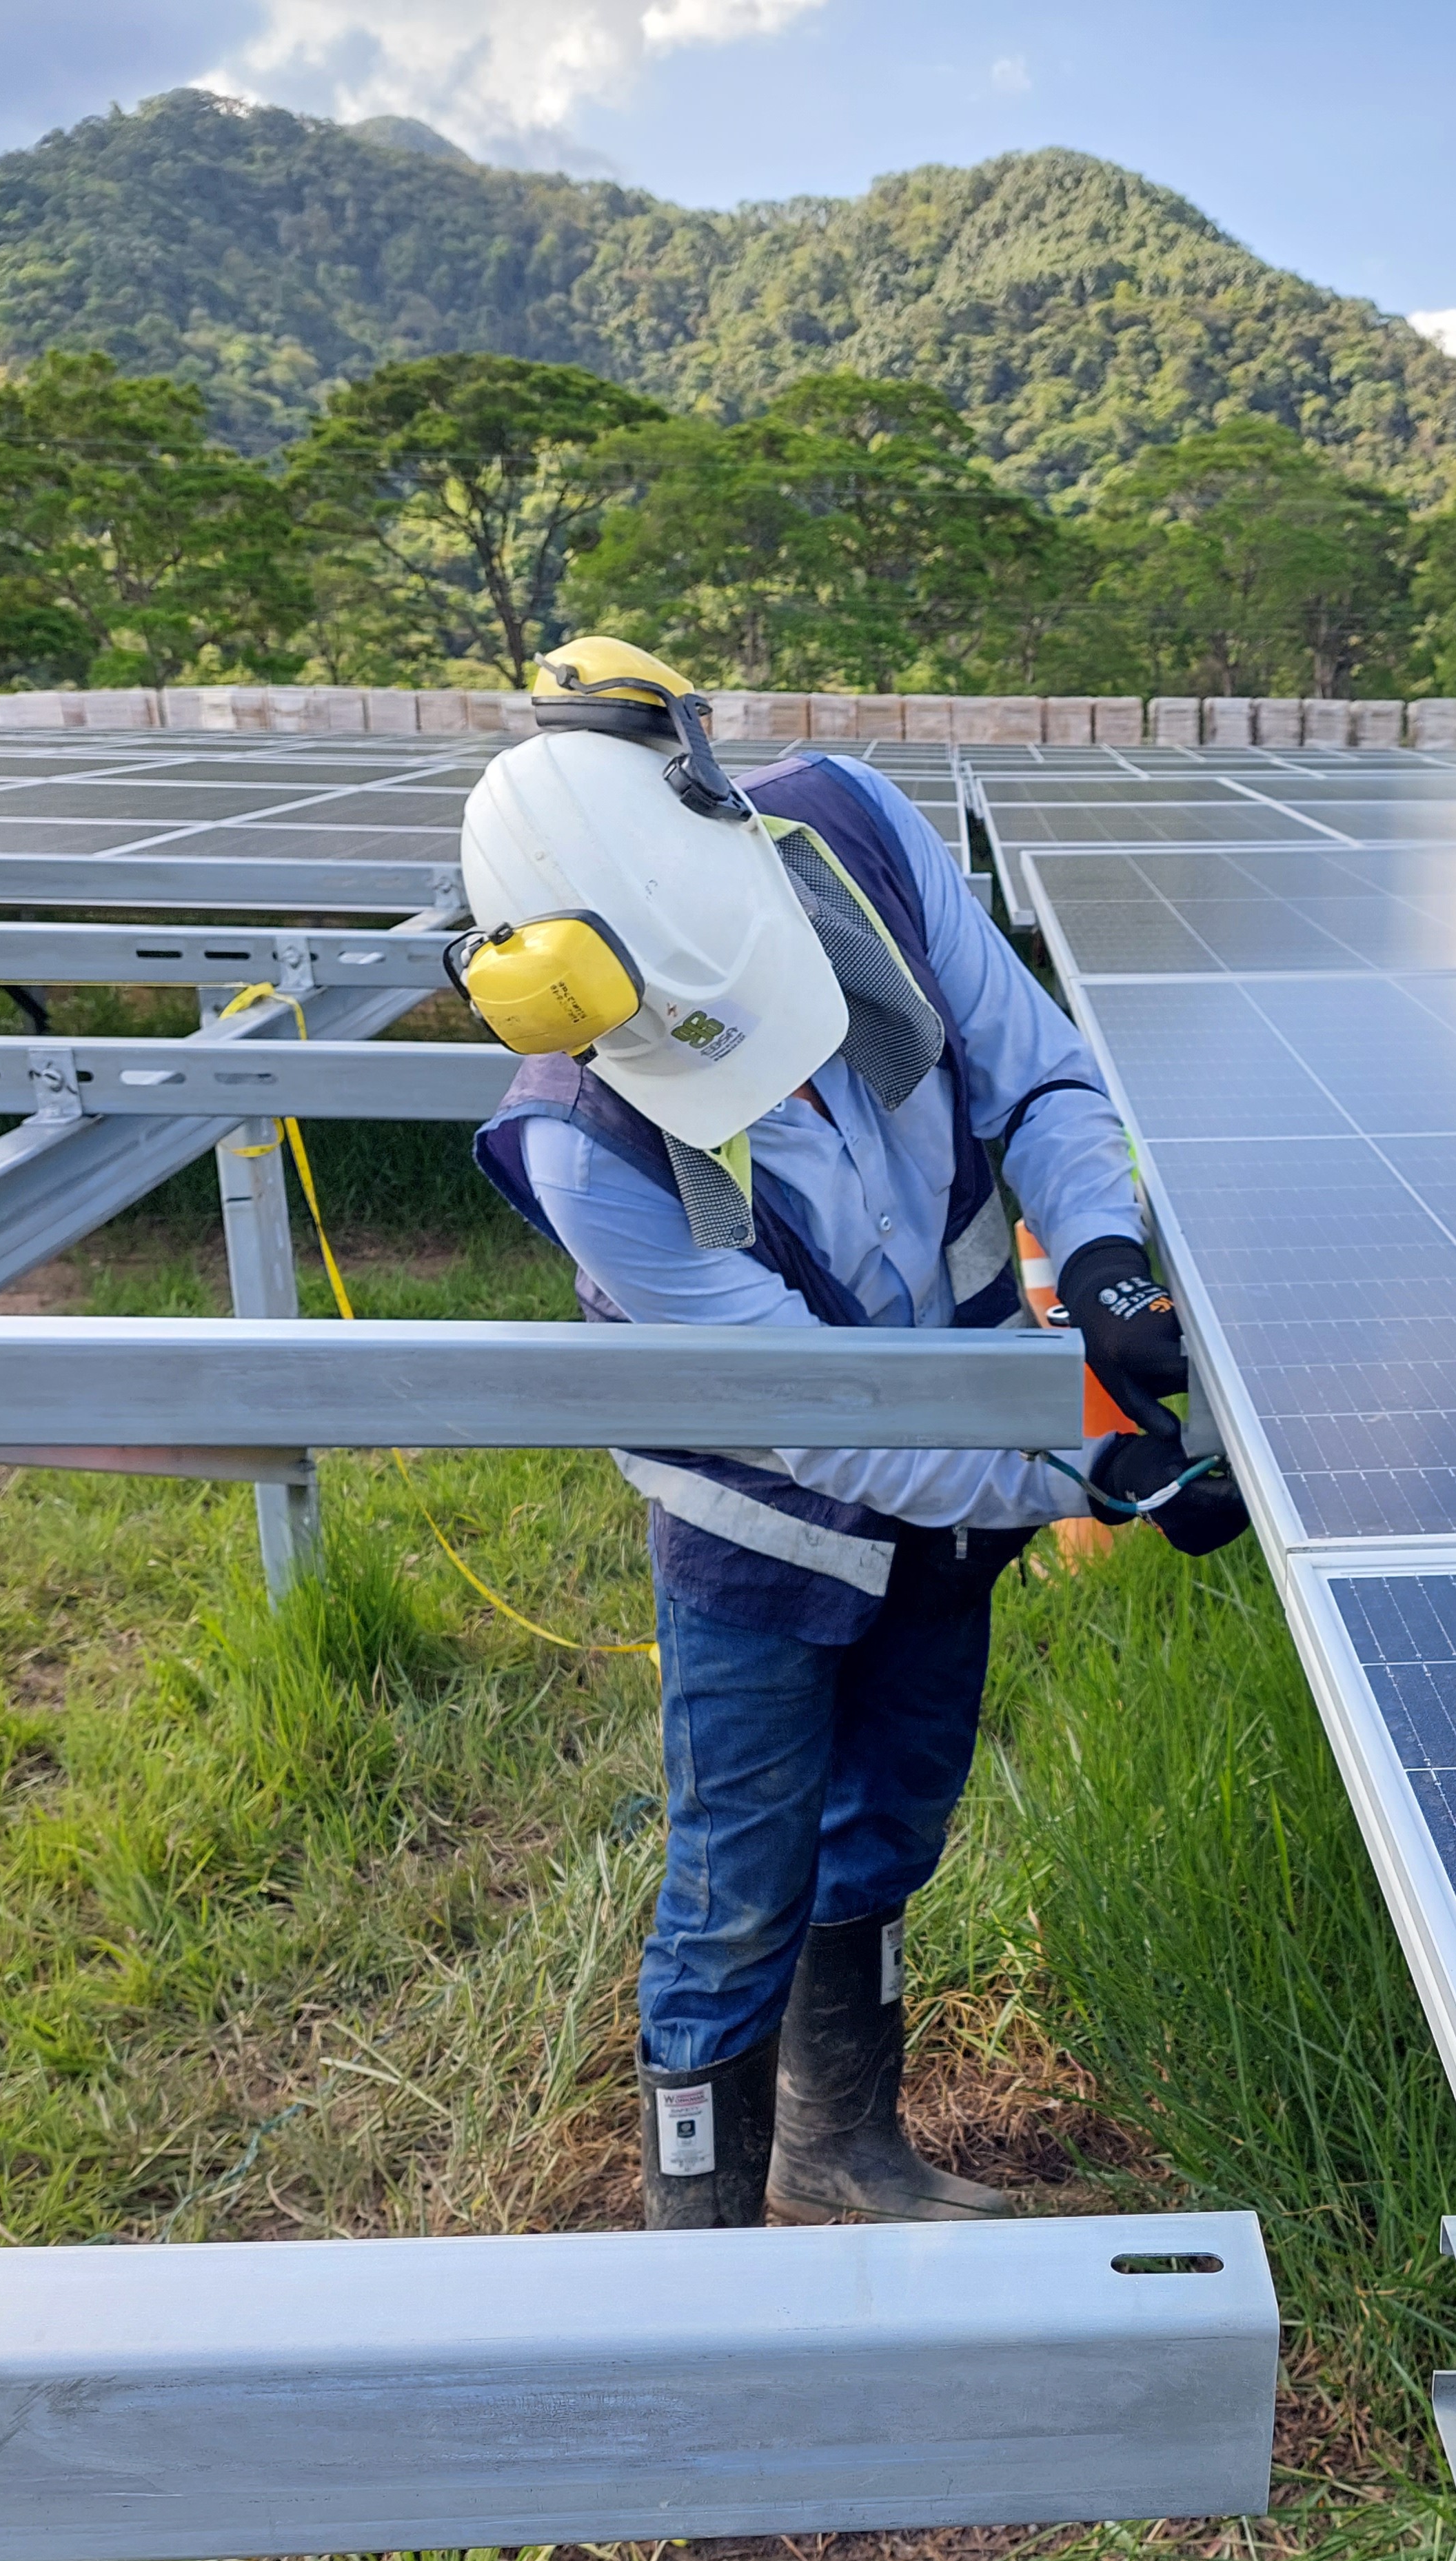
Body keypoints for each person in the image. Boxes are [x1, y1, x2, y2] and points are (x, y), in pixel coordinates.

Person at [457, 640, 1246, 2230]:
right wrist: (1091, 1461)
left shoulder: (856, 838)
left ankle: (842, 2146)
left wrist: (1102, 1254)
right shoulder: (582, 1144)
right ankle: (707, 2253)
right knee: (738, 1882)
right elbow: (829, 1423)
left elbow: (1039, 1076)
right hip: (768, 1528)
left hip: (961, 1491)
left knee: (891, 1816)